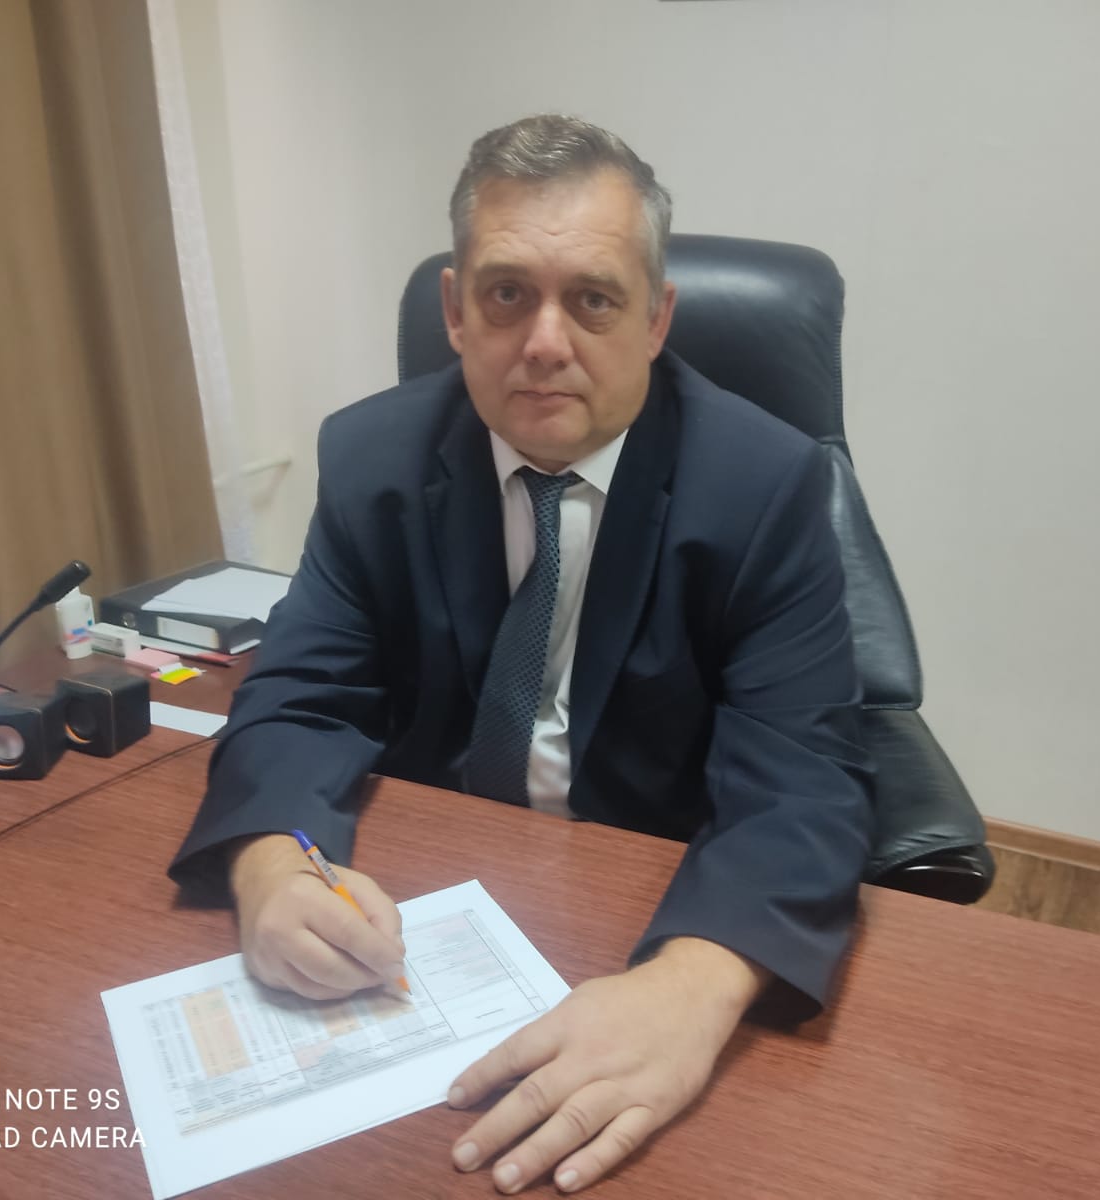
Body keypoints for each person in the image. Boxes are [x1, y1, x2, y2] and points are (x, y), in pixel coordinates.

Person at [170, 114, 873, 1194]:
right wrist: (271, 863)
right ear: (455, 311)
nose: (545, 341)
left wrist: (693, 986)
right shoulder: (373, 458)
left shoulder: (764, 486)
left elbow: (804, 780)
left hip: (650, 897)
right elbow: (303, 695)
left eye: (593, 298)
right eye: (507, 294)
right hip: (423, 908)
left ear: (655, 318)